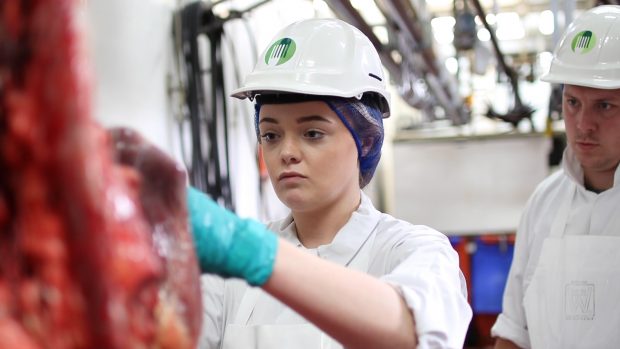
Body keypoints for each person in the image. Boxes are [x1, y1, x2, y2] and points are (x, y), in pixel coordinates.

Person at [185, 18, 472, 348]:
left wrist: (255, 254)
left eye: (312, 133)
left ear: (365, 140)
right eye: (271, 135)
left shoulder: (413, 250)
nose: (286, 153)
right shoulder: (226, 277)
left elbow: (413, 331)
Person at [491, 5, 620, 349]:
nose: (583, 125)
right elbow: (514, 331)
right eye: (573, 102)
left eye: (605, 106)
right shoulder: (545, 201)